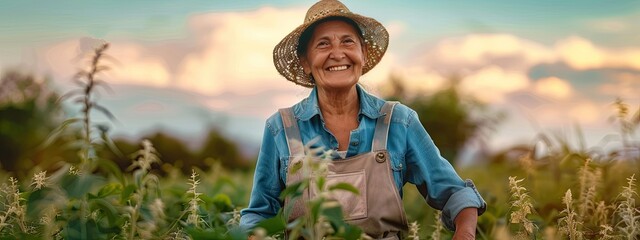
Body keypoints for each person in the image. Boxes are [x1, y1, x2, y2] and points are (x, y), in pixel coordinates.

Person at [240, 0, 486, 238]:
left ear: (363, 53)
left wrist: (464, 234)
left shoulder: (399, 121)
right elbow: (259, 217)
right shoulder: (281, 129)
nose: (337, 54)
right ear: (305, 61)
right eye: (323, 45)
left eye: (347, 42)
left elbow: (455, 194)